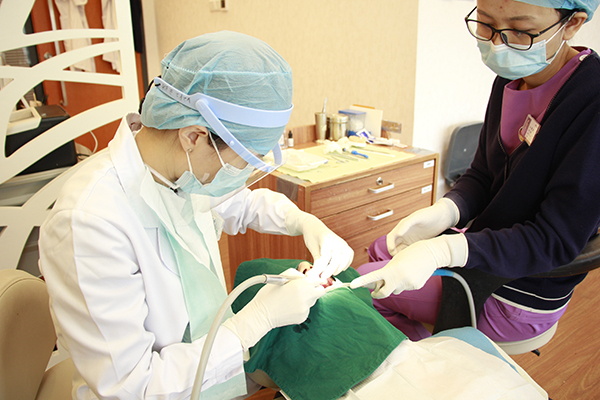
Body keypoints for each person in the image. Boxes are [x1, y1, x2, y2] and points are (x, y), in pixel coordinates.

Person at [39, 31, 353, 400]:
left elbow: (242, 203)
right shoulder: (89, 221)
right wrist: (255, 322)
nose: (240, 174)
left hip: (210, 375)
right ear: (193, 136)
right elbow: (131, 387)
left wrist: (302, 222)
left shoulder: (181, 171)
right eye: (243, 161)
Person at [351, 0, 600, 342]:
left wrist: (443, 250)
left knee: (362, 288)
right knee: (384, 249)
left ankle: (433, 366)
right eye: (486, 24)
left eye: (520, 30)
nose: (498, 44)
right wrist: (446, 210)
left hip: (518, 286)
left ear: (572, 23)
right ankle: (423, 355)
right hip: (489, 247)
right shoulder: (512, 79)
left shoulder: (591, 100)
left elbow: (553, 240)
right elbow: (483, 173)